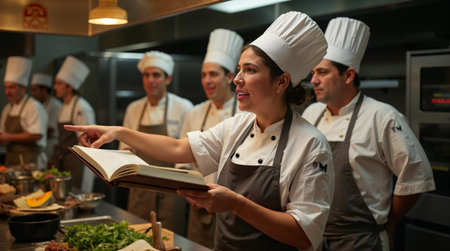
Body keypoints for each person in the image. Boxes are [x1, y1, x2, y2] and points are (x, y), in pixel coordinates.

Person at [65, 11, 334, 250]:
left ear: (282, 82)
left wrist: (235, 203)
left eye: (249, 70)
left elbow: (303, 235)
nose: (237, 79)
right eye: (239, 69)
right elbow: (177, 148)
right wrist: (119, 133)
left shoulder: (310, 144)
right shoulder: (237, 126)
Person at [301, 17, 436, 250]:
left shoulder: (382, 116)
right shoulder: (311, 114)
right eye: (313, 72)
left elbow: (415, 178)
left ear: (349, 75)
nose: (313, 80)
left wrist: (388, 224)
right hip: (313, 238)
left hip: (361, 241)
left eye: (322, 72)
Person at [177, 28, 244, 248]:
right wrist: (191, 196)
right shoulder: (194, 113)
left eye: (213, 74)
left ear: (230, 77)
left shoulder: (247, 115)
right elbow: (181, 162)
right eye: (204, 75)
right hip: (197, 208)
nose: (207, 80)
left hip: (234, 211)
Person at [120, 51, 193, 234]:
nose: (150, 80)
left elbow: (187, 152)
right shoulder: (134, 109)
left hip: (172, 189)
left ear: (167, 79)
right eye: (146, 75)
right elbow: (125, 150)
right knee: (137, 237)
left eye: (156, 75)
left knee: (170, 237)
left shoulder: (183, 107)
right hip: (140, 186)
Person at [53, 55, 95, 189]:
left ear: (70, 87)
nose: (55, 87)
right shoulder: (62, 107)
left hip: (78, 163)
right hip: (64, 161)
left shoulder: (81, 107)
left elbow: (88, 142)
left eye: (59, 83)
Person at [0, 56, 48, 170]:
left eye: (11, 87)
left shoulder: (34, 107)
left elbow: (37, 134)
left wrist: (9, 137)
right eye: (5, 88)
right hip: (11, 160)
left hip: (30, 162)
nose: (7, 92)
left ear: (24, 87)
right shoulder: (7, 108)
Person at [30, 73, 62, 165]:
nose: (32, 94)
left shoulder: (55, 105)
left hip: (51, 145)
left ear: (44, 90)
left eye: (34, 90)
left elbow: (49, 129)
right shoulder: (42, 104)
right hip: (44, 143)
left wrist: (31, 135)